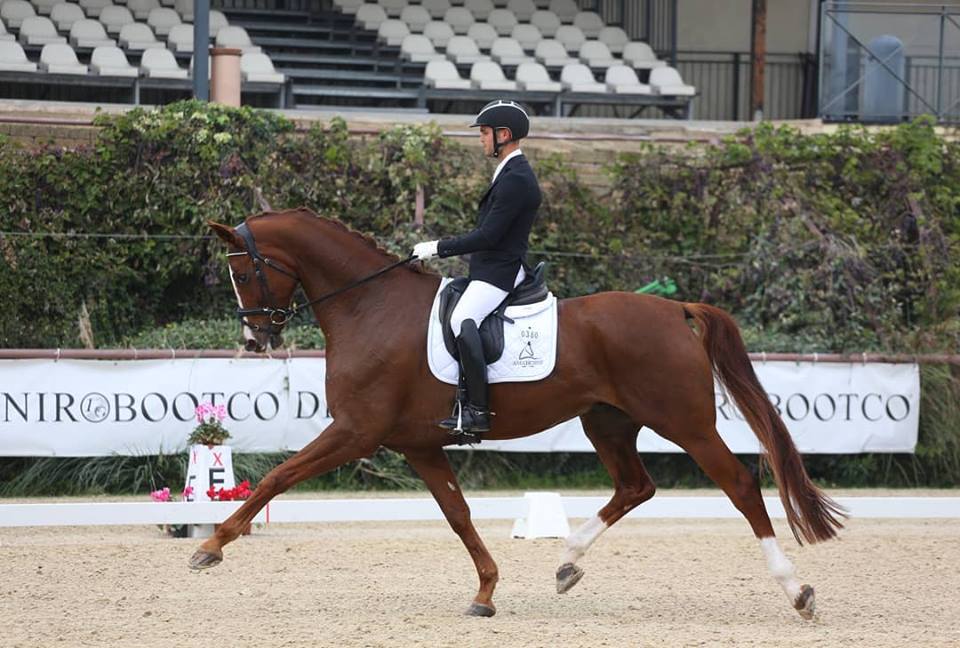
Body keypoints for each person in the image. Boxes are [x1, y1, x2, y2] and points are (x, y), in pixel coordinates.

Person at [411, 99, 542, 442]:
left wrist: (437, 247)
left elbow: (489, 235)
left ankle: (477, 411)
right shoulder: (507, 172)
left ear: (504, 135)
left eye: (484, 133)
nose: (481, 139)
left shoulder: (517, 178)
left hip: (499, 270)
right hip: (489, 267)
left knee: (461, 320)